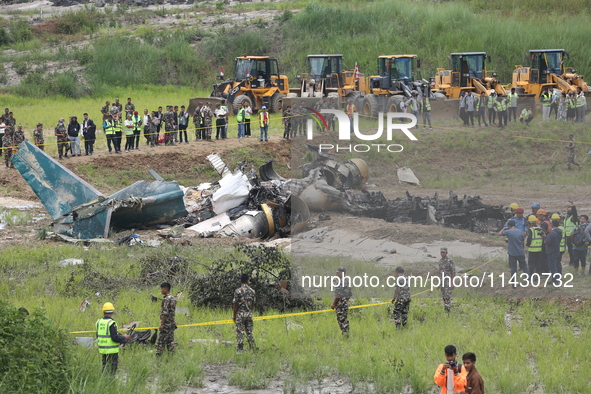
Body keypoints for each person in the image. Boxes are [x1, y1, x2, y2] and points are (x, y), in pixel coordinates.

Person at [95, 302, 130, 374]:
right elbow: (114, 338)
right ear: (113, 312)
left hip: (103, 350)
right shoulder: (111, 323)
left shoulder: (99, 322)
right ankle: (111, 383)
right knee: (111, 371)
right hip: (112, 351)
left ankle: (104, 383)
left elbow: (100, 335)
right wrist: (124, 338)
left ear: (103, 311)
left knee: (105, 369)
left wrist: (118, 336)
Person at [498, 219, 529, 285]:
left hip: (512, 253)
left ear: (509, 225)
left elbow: (499, 234)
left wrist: (504, 228)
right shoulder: (520, 232)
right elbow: (523, 242)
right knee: (524, 267)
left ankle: (514, 283)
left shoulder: (509, 232)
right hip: (520, 252)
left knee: (513, 268)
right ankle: (528, 280)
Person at [232, 273, 257, 351]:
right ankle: (253, 347)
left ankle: (240, 348)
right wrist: (249, 310)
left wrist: (234, 315)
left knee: (240, 331)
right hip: (249, 313)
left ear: (240, 281)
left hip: (240, 314)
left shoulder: (237, 291)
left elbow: (235, 304)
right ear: (248, 281)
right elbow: (253, 304)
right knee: (249, 331)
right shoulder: (252, 291)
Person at [156, 282, 176, 356]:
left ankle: (159, 355)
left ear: (166, 289)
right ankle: (171, 355)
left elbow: (165, 313)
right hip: (172, 323)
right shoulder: (173, 298)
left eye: (162, 289)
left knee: (161, 341)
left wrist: (162, 324)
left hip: (166, 324)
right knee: (170, 341)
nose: (161, 291)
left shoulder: (166, 299)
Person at [331, 267, 351, 335]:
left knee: (341, 319)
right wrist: (345, 300)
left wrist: (334, 304)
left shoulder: (340, 282)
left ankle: (345, 334)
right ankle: (346, 333)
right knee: (344, 319)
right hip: (344, 303)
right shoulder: (347, 281)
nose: (336, 274)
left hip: (340, 303)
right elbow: (349, 294)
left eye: (338, 272)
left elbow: (338, 294)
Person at [545, 219, 563, 284]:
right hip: (556, 250)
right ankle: (556, 279)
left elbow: (548, 242)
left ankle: (555, 280)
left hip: (551, 251)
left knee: (553, 267)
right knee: (556, 265)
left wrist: (545, 237)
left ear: (552, 224)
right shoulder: (559, 232)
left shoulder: (552, 233)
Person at [438, 247, 456, 312]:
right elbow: (439, 272)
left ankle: (447, 312)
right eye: (441, 252)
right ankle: (446, 309)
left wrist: (452, 283)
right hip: (442, 282)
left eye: (443, 252)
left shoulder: (450, 261)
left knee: (447, 296)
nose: (442, 253)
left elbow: (453, 272)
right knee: (443, 297)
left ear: (446, 253)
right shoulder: (440, 261)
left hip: (448, 282)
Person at [564, 200, 578, 267]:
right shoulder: (567, 218)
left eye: (570, 210)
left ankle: (574, 262)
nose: (569, 211)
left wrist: (573, 204)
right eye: (568, 210)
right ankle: (571, 261)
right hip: (568, 237)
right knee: (570, 250)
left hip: (573, 236)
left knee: (573, 251)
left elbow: (575, 213)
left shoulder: (573, 218)